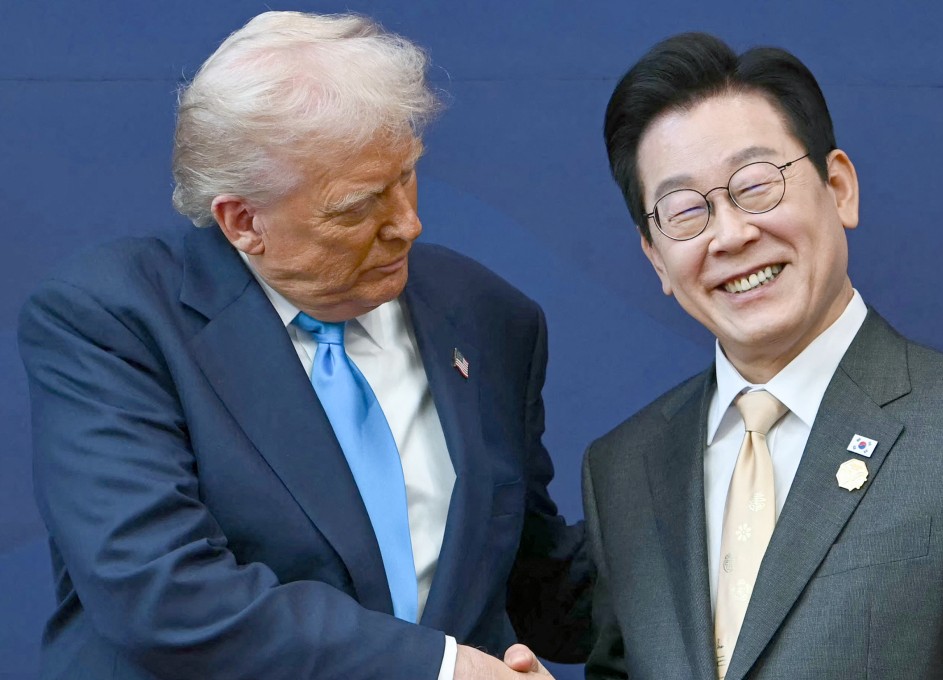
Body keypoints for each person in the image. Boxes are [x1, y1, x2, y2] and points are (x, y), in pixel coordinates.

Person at [18, 11, 590, 680]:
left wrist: (696, 507)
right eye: (358, 206)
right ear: (243, 221)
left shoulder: (486, 314)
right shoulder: (115, 321)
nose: (408, 223)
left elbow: (534, 580)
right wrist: (440, 669)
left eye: (407, 174)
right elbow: (161, 593)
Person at [583, 32, 943, 679]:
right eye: (686, 211)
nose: (731, 235)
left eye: (756, 185)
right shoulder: (622, 470)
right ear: (656, 259)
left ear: (838, 187)